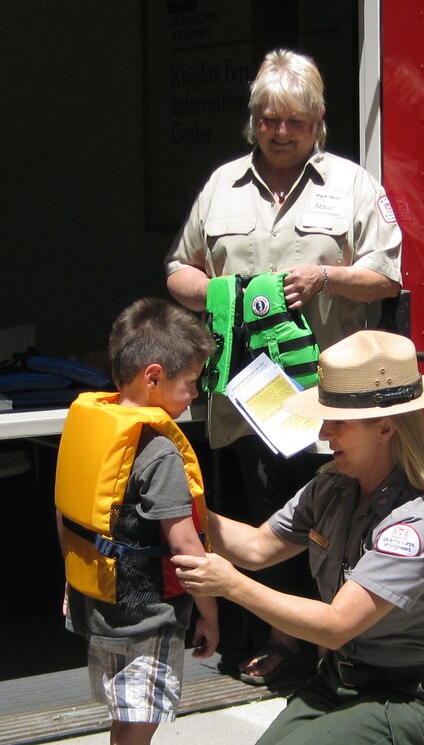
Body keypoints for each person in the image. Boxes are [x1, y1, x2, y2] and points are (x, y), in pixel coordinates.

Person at [165, 48, 402, 684]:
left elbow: (387, 277)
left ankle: (298, 643)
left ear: (319, 119)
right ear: (254, 119)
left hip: (326, 398)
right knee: (248, 511)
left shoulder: (352, 185)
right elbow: (178, 268)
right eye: (269, 118)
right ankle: (238, 630)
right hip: (243, 397)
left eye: (294, 121)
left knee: (318, 522)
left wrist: (326, 276)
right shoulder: (222, 186)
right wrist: (219, 294)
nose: (279, 131)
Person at [171, 329, 424, 745]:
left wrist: (232, 586)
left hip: (409, 695)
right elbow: (257, 547)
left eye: (338, 422)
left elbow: (336, 626)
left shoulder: (416, 525)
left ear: (384, 429)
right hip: (340, 679)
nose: (324, 434)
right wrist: (177, 506)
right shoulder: (330, 488)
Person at [55, 298, 219, 745]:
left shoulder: (89, 426)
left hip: (97, 606)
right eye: (190, 383)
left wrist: (75, 580)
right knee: (140, 726)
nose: (194, 396)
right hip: (149, 617)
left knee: (124, 716)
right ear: (153, 377)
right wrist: (211, 614)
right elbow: (186, 548)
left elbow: (67, 515)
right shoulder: (161, 452)